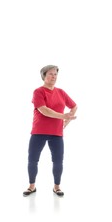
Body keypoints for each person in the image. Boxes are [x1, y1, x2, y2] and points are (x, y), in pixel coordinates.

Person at [23, 65, 77, 197]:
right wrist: (63, 116)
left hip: (56, 133)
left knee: (58, 161)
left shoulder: (61, 92)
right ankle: (31, 186)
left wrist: (66, 122)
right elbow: (44, 110)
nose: (53, 76)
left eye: (55, 74)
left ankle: (57, 187)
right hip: (38, 131)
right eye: (50, 74)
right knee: (33, 160)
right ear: (44, 76)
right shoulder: (38, 92)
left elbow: (74, 106)